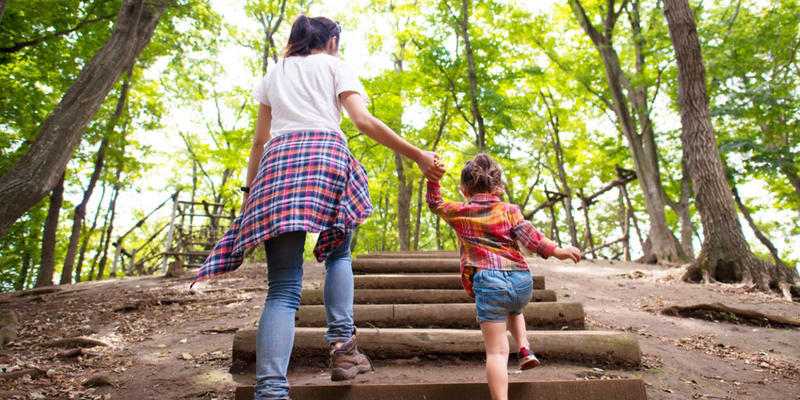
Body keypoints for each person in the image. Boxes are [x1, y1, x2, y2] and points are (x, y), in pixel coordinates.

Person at [192, 15, 445, 400]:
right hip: (325, 159)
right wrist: (418, 155)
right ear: (331, 41)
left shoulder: (274, 73)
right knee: (338, 257)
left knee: (282, 289)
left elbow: (259, 142)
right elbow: (362, 121)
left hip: (276, 168)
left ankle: (271, 391)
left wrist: (248, 195)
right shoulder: (335, 66)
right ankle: (343, 351)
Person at [425, 153, 580, 400]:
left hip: (489, 283)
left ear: (464, 190)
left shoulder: (460, 211)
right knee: (515, 309)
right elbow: (532, 238)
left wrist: (433, 179)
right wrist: (559, 251)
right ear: (499, 188)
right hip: (521, 280)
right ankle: (524, 347)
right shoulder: (510, 210)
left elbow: (435, 203)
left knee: (497, 353)